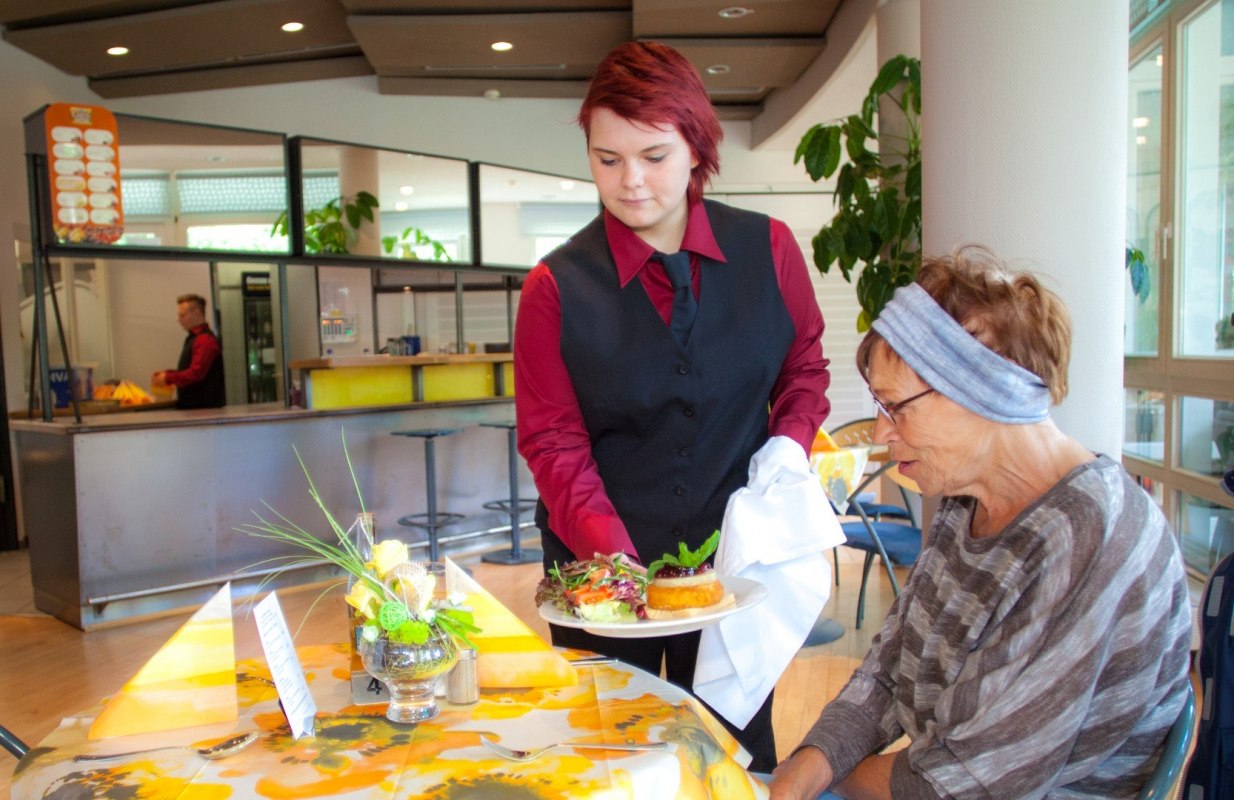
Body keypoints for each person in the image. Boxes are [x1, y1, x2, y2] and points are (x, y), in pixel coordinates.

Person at [769, 245, 1192, 799]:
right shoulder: (963, 501)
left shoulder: (1091, 534)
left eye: (896, 407)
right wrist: (810, 762)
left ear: (985, 392)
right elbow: (891, 665)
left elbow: (965, 787)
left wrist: (829, 778)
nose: (880, 433)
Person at [513, 40, 830, 772]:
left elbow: (803, 369)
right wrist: (622, 572)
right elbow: (554, 441)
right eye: (607, 159)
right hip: (600, 571)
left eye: (653, 156)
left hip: (734, 566)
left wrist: (789, 445)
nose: (629, 183)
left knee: (727, 756)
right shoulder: (554, 288)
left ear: (697, 147)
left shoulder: (772, 249)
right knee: (608, 756)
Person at [152, 293, 225, 409]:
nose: (179, 320)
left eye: (182, 315)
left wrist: (168, 377)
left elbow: (196, 373)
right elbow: (193, 370)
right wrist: (168, 374)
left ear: (197, 313)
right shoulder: (197, 338)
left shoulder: (204, 340)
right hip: (200, 410)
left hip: (203, 411)